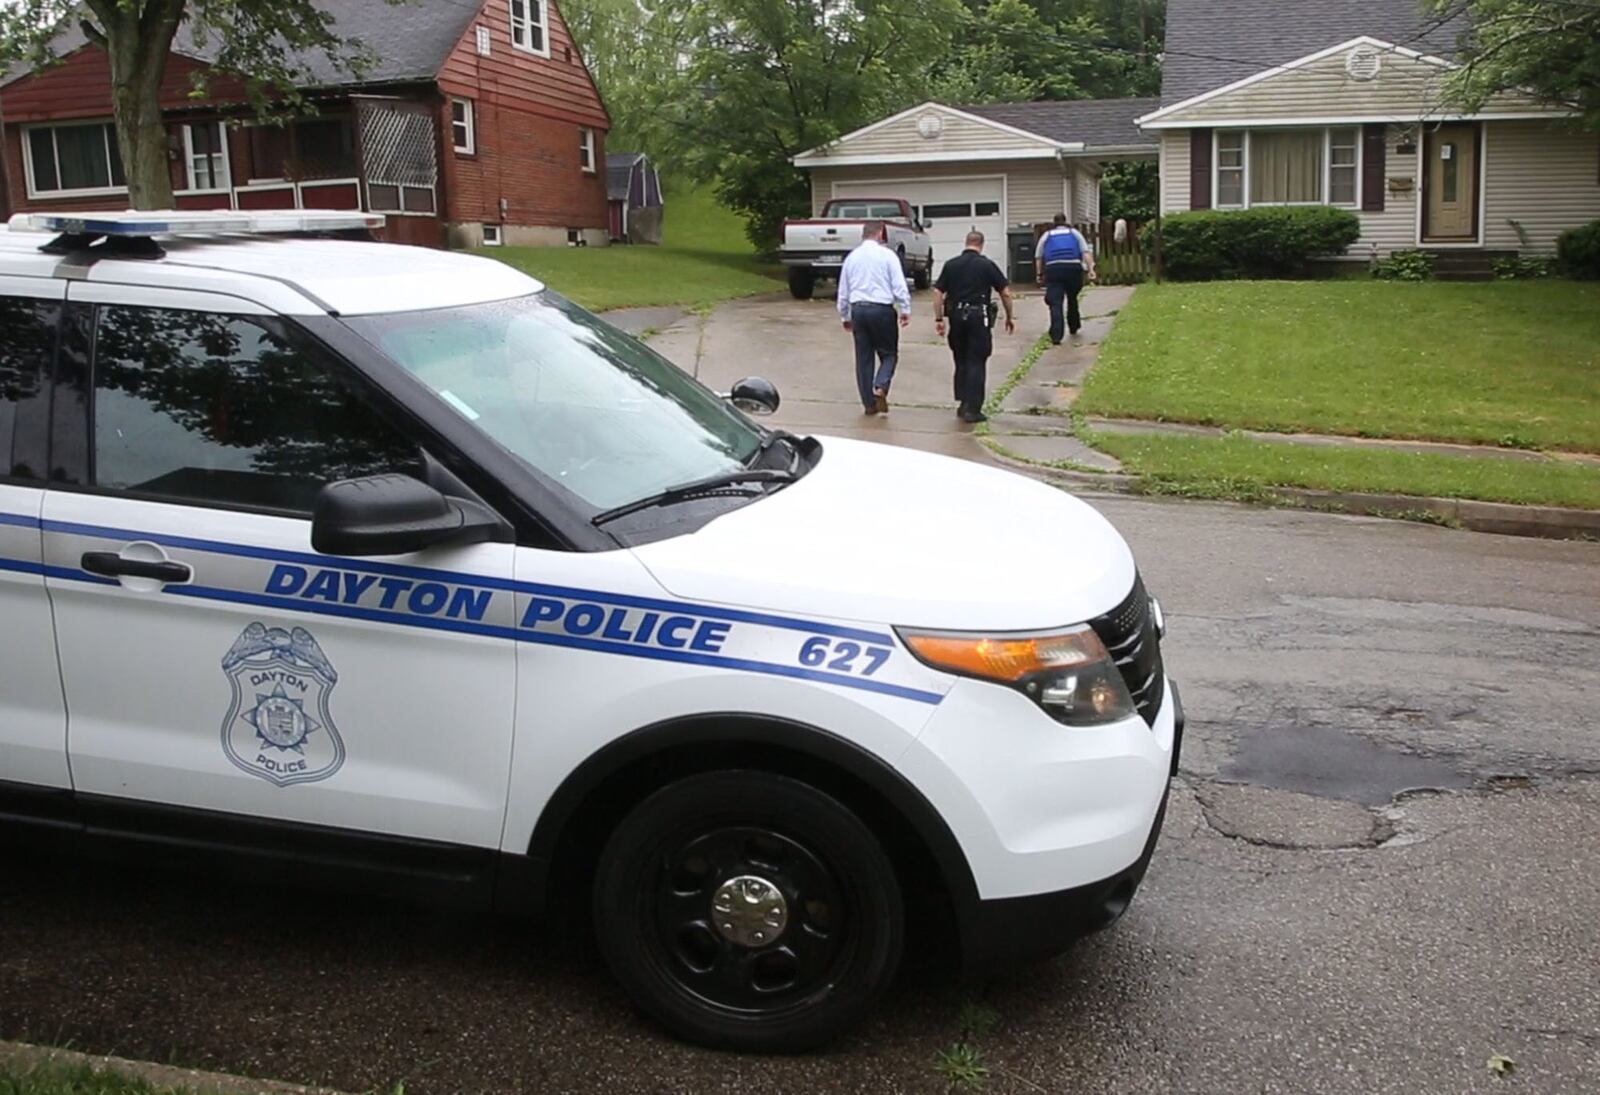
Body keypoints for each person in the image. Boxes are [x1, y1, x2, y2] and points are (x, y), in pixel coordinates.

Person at [933, 231, 1015, 424]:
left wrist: (938, 318)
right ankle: (973, 408)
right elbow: (1005, 292)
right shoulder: (986, 265)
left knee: (961, 359)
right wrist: (1010, 316)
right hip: (978, 317)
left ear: (966, 242)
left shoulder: (951, 265)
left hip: (956, 317)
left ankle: (963, 402)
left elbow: (937, 292)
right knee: (977, 361)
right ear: (981, 244)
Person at [836, 220, 911, 415]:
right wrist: (905, 308)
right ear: (880, 234)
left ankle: (869, 404)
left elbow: (843, 290)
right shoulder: (888, 256)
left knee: (864, 358)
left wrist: (845, 315)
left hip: (858, 309)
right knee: (889, 353)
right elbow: (899, 285)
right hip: (882, 309)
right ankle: (881, 385)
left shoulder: (851, 258)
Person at [1034, 213, 1096, 344]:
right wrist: (1091, 269)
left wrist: (1039, 274)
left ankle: (1056, 335)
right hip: (1073, 268)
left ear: (1054, 223)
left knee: (1056, 303)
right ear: (1065, 222)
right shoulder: (1075, 233)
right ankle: (1074, 325)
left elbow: (1039, 257)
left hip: (1054, 269)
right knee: (1072, 298)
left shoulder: (1047, 235)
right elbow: (1085, 252)